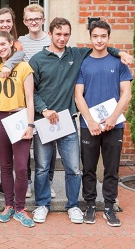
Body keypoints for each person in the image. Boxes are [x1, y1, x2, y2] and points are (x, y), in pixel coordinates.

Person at [29, 17, 132, 224]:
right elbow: (31, 91)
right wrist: (44, 109)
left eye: (66, 34)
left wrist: (120, 52)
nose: (62, 38)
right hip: (46, 120)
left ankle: (74, 206)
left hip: (68, 121)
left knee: (74, 168)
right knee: (41, 167)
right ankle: (42, 204)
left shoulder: (76, 54)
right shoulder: (38, 59)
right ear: (49, 34)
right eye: (58, 34)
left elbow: (103, 48)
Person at [75, 21, 132, 227]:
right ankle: (90, 205)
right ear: (90, 37)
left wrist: (113, 118)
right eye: (95, 36)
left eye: (103, 36)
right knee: (88, 168)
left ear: (108, 37)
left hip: (113, 125)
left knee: (111, 169)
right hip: (89, 125)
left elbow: (126, 93)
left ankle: (109, 207)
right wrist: (90, 121)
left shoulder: (119, 63)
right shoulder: (83, 62)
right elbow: (78, 95)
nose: (99, 40)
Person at [0, 31, 35, 228]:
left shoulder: (24, 66)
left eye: (3, 44)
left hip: (19, 117)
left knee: (22, 166)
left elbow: (30, 98)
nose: (0, 48)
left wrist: (30, 124)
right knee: (6, 165)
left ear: (11, 44)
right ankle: (9, 205)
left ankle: (20, 208)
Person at [18, 3, 56, 199]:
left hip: (47, 100)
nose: (33, 22)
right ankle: (28, 183)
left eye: (37, 19)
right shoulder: (20, 42)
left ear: (43, 20)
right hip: (25, 100)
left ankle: (48, 182)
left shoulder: (51, 41)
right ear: (24, 22)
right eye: (29, 19)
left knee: (49, 142)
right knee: (24, 143)